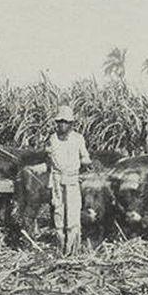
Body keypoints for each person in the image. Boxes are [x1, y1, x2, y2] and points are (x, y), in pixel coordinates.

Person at [44, 104, 92, 255]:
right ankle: (60, 247)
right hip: (57, 179)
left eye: (66, 122)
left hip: (72, 179)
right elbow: (49, 159)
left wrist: (86, 164)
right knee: (58, 211)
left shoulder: (78, 139)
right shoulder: (53, 139)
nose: (62, 125)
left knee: (72, 213)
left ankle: (72, 249)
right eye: (60, 122)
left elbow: (85, 158)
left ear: (71, 124)